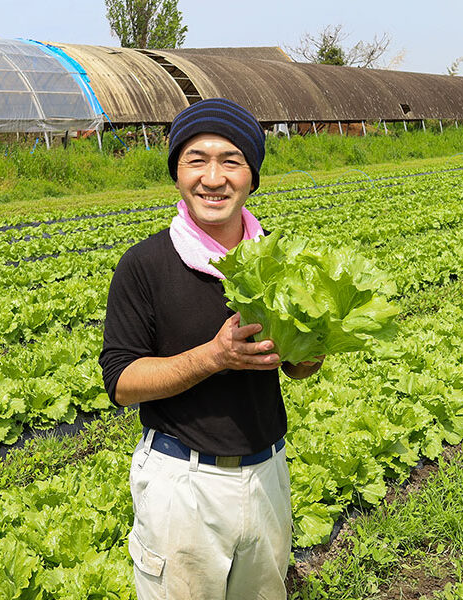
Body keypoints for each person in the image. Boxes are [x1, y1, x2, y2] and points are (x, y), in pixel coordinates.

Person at [99, 97, 322, 599]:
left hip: (267, 473)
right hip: (183, 483)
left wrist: (308, 347)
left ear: (252, 176)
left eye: (232, 161)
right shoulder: (145, 264)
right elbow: (122, 382)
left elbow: (300, 369)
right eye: (196, 160)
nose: (213, 177)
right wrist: (214, 357)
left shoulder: (278, 258)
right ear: (178, 173)